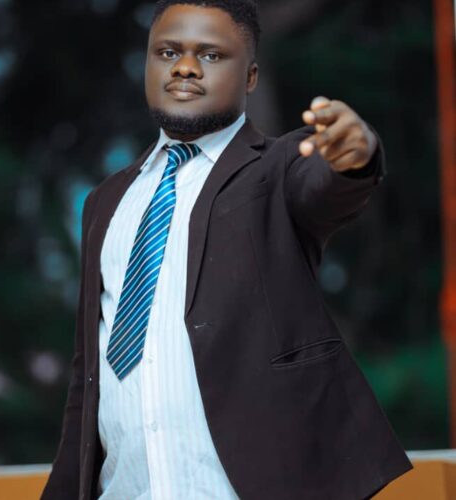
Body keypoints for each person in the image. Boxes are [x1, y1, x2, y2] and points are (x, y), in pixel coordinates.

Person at [40, 1, 413, 499]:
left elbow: (324, 185)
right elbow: (89, 375)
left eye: (211, 55)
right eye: (167, 52)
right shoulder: (106, 202)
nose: (185, 67)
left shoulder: (278, 167)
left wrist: (354, 156)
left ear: (251, 76)